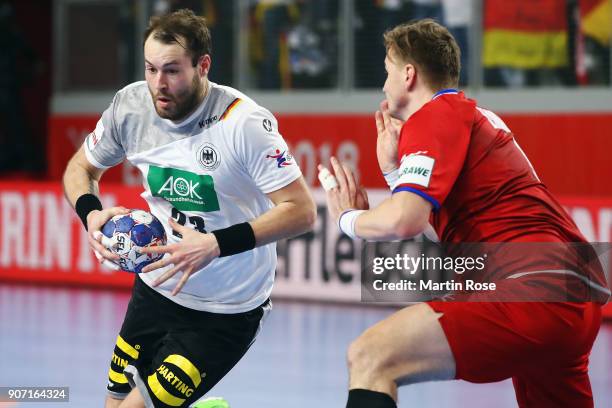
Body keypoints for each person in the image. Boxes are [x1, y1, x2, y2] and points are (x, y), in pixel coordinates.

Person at [320, 19, 608, 408]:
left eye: (387, 71)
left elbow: (404, 220)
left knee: (371, 355)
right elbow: (446, 235)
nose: (383, 84)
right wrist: (394, 172)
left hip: (531, 288)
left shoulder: (435, 113)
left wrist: (346, 219)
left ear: (409, 75)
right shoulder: (473, 117)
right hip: (573, 291)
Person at [62, 9, 316, 408]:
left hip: (225, 309)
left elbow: (301, 210)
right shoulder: (130, 107)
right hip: (156, 287)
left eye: (172, 71)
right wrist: (91, 213)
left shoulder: (243, 123)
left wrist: (214, 244)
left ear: (203, 65)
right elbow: (81, 167)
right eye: (150, 69)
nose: (158, 85)